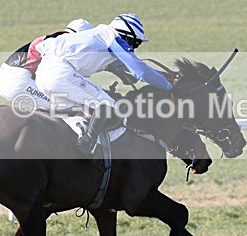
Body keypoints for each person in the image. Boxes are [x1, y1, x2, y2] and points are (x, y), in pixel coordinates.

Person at [36, 13, 173, 154]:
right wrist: (168, 86)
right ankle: (86, 144)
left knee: (79, 116)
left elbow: (127, 67)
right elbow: (141, 72)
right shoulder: (113, 37)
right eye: (135, 43)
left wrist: (163, 75)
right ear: (126, 36)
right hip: (61, 75)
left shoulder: (101, 36)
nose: (134, 48)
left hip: (42, 76)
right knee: (107, 104)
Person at [0, 18, 93, 110]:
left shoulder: (54, 37)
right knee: (72, 107)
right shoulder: (65, 43)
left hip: (2, 81)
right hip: (19, 81)